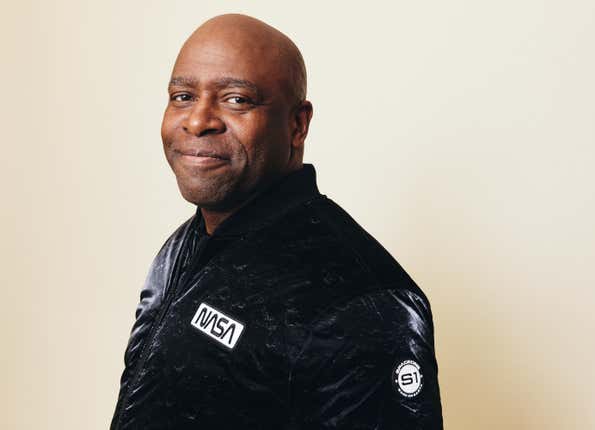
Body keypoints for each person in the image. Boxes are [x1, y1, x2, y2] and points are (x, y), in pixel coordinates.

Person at [110, 13, 443, 429]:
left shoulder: (363, 302)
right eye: (182, 96)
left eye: (236, 100)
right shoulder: (182, 246)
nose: (197, 121)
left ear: (297, 124)